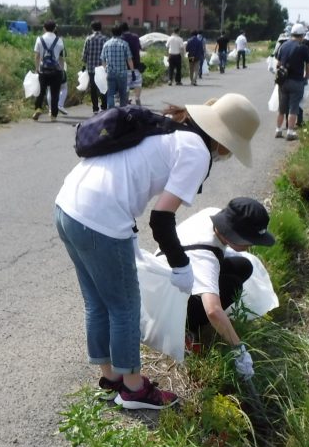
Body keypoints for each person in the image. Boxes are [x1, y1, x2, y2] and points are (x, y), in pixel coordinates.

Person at [54, 93, 261, 410]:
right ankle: (134, 391)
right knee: (124, 307)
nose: (227, 155)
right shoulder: (196, 151)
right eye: (231, 148)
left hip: (67, 206)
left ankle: (111, 380)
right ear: (224, 139)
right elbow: (162, 218)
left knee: (97, 301)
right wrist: (181, 266)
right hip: (102, 218)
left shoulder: (170, 129)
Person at [168, 198, 276, 380]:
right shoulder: (206, 257)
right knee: (231, 286)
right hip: (168, 306)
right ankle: (185, 330)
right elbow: (213, 311)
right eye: (249, 240)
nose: (251, 245)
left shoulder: (213, 216)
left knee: (243, 266)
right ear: (234, 234)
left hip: (176, 279)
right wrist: (239, 349)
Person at [274, 24, 309, 141]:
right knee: (293, 108)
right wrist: (306, 78)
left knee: (281, 108)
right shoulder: (303, 48)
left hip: (283, 82)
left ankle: (278, 130)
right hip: (296, 81)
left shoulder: (284, 45)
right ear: (302, 35)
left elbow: (278, 64)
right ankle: (290, 131)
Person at [32, 20, 65, 122]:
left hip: (43, 70)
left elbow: (37, 56)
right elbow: (61, 58)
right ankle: (53, 115)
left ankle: (38, 108)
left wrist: (37, 68)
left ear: (44, 28)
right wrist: (62, 70)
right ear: (55, 28)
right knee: (55, 93)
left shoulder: (39, 39)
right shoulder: (59, 40)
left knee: (41, 92)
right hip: (56, 71)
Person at [100, 23, 133, 108]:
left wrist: (105, 69)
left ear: (112, 32)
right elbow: (129, 59)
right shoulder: (124, 44)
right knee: (123, 94)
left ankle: (111, 113)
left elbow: (103, 59)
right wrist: (132, 71)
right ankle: (123, 113)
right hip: (122, 73)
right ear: (121, 32)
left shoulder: (106, 44)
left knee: (110, 94)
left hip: (110, 72)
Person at [81, 21, 108, 114]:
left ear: (92, 28)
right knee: (103, 87)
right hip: (102, 68)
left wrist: (84, 63)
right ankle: (104, 107)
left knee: (93, 88)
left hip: (91, 68)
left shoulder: (88, 39)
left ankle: (95, 109)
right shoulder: (105, 39)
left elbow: (84, 55)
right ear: (101, 28)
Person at [120, 23, 144, 105]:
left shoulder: (121, 38)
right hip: (136, 64)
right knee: (138, 82)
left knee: (125, 84)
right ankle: (137, 98)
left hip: (124, 66)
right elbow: (140, 48)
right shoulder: (135, 37)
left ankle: (126, 100)